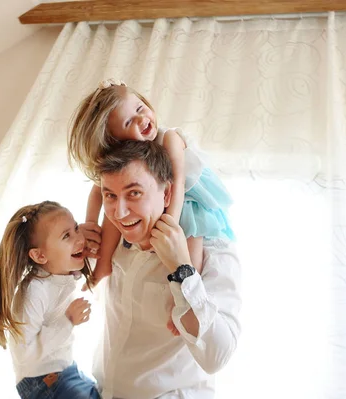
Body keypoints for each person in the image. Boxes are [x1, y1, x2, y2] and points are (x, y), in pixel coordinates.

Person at [80, 140, 242, 398]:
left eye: (134, 193)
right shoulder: (112, 242)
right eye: (110, 195)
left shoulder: (214, 250)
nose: (119, 212)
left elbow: (217, 357)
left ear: (167, 194)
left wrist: (182, 269)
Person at [68, 79, 235, 303]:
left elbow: (177, 183)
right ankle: (104, 264)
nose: (141, 119)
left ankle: (185, 298)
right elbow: (98, 190)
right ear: (118, 141)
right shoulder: (124, 160)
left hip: (187, 195)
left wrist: (168, 228)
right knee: (117, 207)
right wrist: (91, 224)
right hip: (160, 193)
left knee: (191, 236)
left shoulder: (169, 138)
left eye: (140, 108)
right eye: (129, 122)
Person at [0, 201, 101, 399]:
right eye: (66, 236)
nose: (79, 239)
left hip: (65, 371)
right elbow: (24, 354)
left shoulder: (62, 270)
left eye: (76, 228)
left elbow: (95, 261)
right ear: (39, 255)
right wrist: (68, 321)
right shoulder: (34, 291)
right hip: (42, 381)